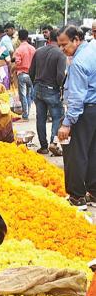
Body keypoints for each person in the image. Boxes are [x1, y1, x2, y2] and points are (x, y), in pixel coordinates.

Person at [57, 25, 96, 210]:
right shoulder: (93, 49)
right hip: (93, 110)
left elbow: (77, 97)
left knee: (75, 154)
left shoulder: (79, 62)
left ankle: (77, 197)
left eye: (65, 44)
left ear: (76, 40)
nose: (63, 49)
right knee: (92, 151)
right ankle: (94, 192)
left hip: (84, 111)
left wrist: (67, 123)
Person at [29, 29, 66, 156]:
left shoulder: (38, 51)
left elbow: (31, 72)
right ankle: (53, 143)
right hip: (51, 89)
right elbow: (60, 76)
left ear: (49, 39)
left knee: (41, 118)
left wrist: (35, 84)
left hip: (37, 88)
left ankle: (43, 146)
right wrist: (61, 88)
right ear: (60, 39)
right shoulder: (60, 54)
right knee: (58, 116)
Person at [14, 29, 36, 121]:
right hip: (31, 75)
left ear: (19, 38)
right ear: (27, 37)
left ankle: (25, 115)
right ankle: (28, 112)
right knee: (29, 94)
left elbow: (17, 62)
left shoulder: (19, 49)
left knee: (23, 94)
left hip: (22, 74)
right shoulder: (33, 48)